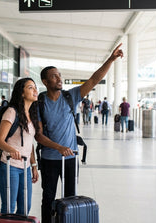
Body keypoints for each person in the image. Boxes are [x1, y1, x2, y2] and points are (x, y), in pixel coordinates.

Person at [35, 43, 123, 223]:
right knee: (48, 198)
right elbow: (38, 135)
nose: (59, 78)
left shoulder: (70, 96)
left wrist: (111, 59)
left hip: (70, 158)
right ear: (45, 82)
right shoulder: (40, 102)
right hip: (50, 159)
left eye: (59, 75)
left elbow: (93, 80)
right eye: (54, 76)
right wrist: (58, 147)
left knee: (70, 197)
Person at [0, 78, 39, 215]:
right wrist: (12, 150)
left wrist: (33, 165)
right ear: (21, 92)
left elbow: (29, 143)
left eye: (35, 87)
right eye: (30, 87)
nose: (35, 91)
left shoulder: (31, 114)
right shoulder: (11, 112)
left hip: (25, 167)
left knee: (25, 206)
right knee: (9, 207)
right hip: (9, 165)